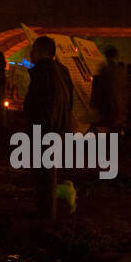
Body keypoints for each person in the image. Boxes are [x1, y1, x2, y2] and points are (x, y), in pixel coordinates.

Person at [23, 34, 75, 219]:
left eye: (34, 49)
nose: (31, 53)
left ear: (41, 51)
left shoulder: (42, 72)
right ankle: (46, 211)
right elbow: (68, 101)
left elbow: (42, 105)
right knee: (48, 171)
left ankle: (45, 215)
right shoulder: (62, 70)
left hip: (45, 130)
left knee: (43, 175)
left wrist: (36, 129)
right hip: (58, 128)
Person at [90, 45, 126, 133]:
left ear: (107, 57)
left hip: (109, 106)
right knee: (115, 131)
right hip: (119, 106)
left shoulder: (105, 70)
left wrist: (95, 103)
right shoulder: (121, 70)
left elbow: (101, 88)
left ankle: (110, 146)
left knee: (108, 131)